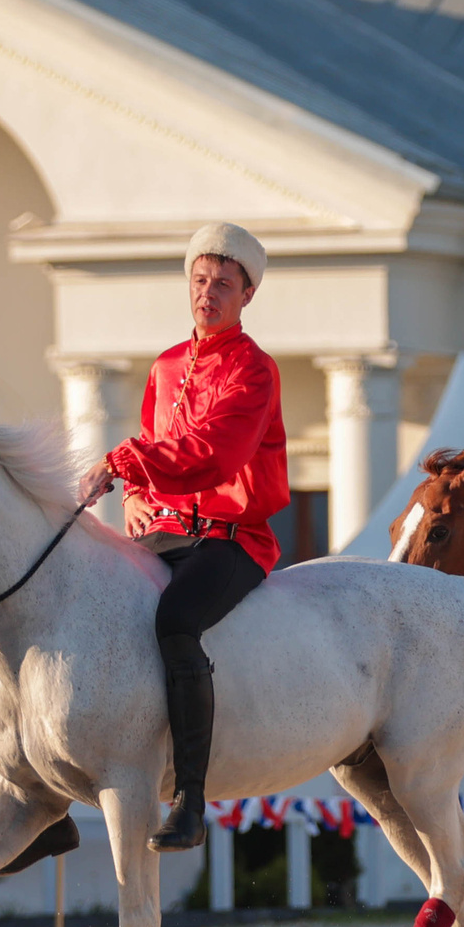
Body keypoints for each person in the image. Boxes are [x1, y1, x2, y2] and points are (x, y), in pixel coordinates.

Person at [76, 222, 290, 853]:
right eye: (200, 279)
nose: (208, 292)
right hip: (167, 534)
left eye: (223, 283)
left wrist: (122, 463)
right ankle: (51, 786)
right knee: (87, 599)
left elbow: (214, 454)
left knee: (175, 620)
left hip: (234, 539)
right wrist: (135, 498)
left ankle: (191, 801)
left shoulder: (255, 369)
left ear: (247, 295)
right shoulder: (166, 365)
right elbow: (154, 446)